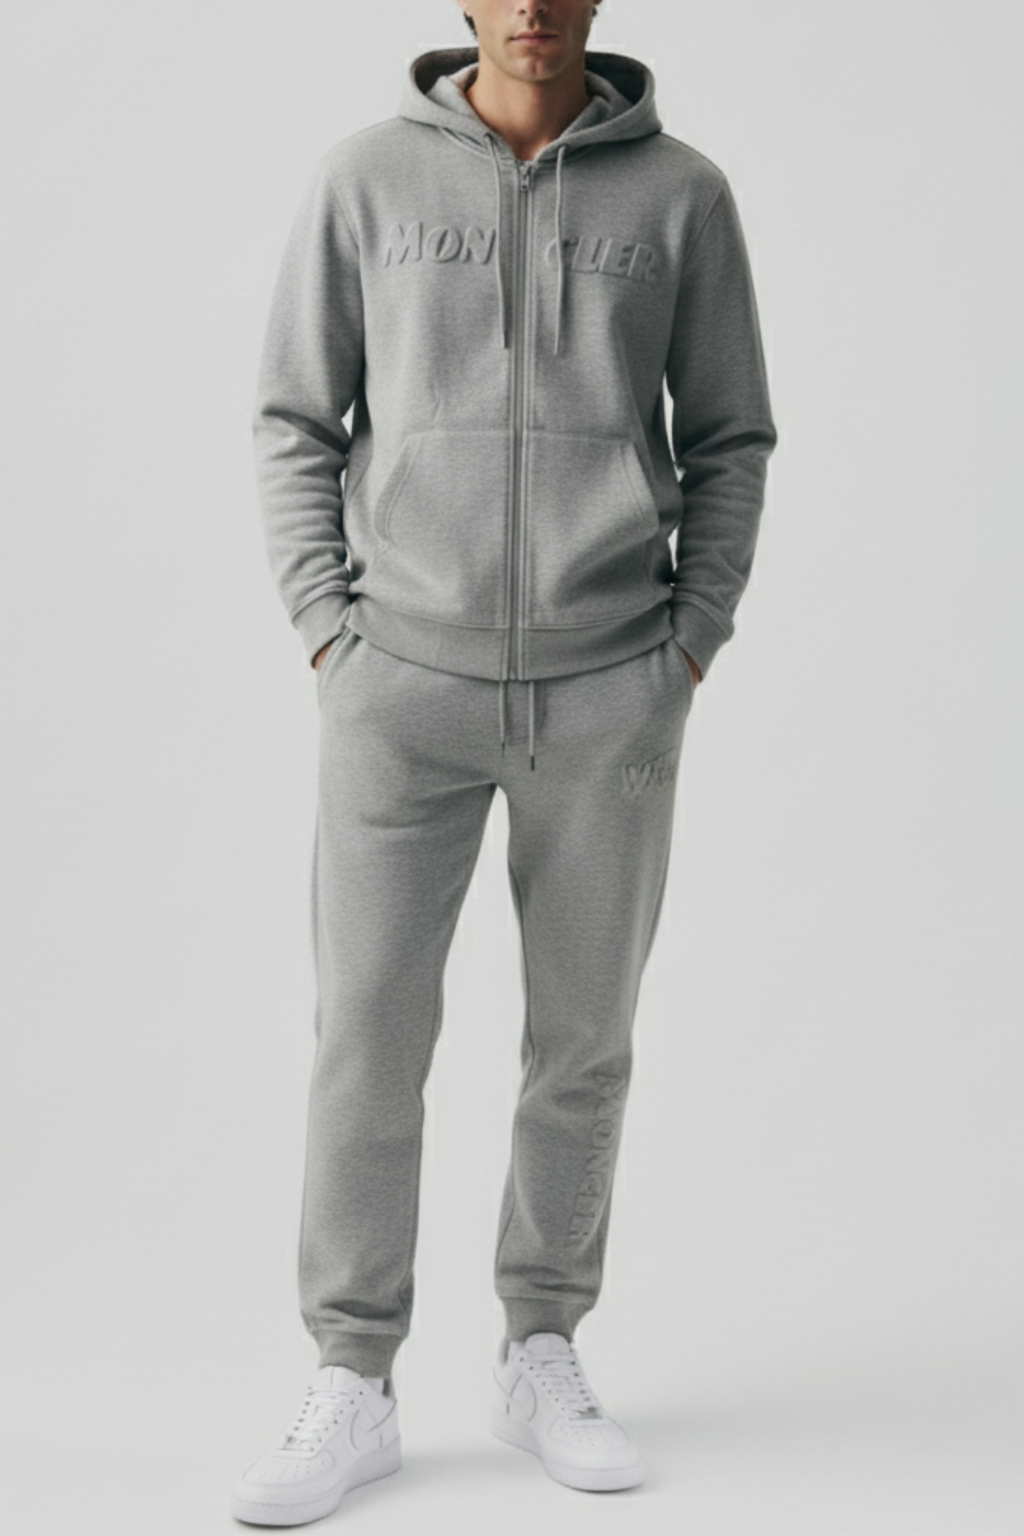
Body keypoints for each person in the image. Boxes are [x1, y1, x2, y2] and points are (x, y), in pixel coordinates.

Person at [231, 0, 777, 1523]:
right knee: (368, 1036)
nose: (533, 5)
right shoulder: (364, 180)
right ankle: (353, 1374)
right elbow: (294, 417)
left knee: (583, 1039)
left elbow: (731, 436)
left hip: (610, 689)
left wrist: (687, 644)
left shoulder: (684, 197)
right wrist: (330, 633)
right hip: (399, 687)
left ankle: (543, 1345)